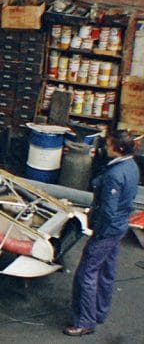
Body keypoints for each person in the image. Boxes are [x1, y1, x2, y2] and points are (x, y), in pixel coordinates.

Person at [65, 130, 140, 336]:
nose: (106, 149)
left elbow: (108, 209)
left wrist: (97, 233)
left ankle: (84, 321)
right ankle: (99, 312)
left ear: (119, 148)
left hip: (108, 229)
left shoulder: (114, 175)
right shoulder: (131, 166)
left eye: (109, 145)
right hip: (120, 226)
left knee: (85, 274)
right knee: (106, 272)